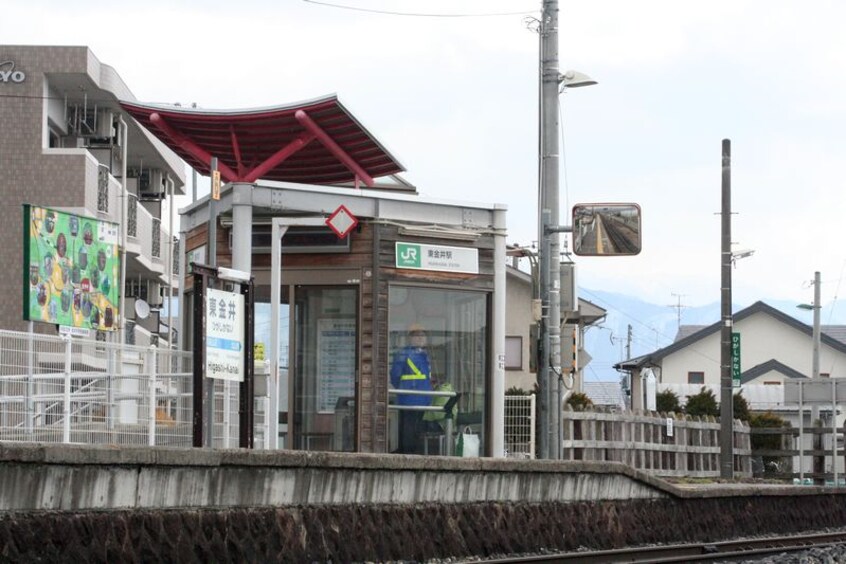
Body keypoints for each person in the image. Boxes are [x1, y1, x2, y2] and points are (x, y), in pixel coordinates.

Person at [390, 323, 433, 453]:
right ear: (410, 338)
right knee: (409, 429)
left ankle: (410, 452)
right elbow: (395, 375)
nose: (420, 338)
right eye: (417, 335)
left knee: (414, 429)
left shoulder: (423, 355)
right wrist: (405, 389)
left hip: (420, 398)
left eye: (423, 335)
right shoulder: (404, 354)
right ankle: (408, 453)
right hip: (410, 398)